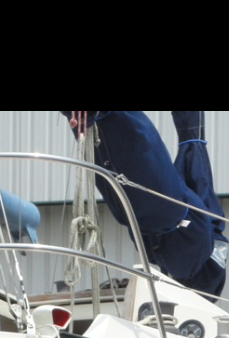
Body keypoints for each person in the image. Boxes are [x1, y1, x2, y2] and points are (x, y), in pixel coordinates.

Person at [60, 111, 227, 300]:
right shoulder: (200, 248)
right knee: (145, 173)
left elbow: (194, 153)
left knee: (105, 153)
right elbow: (196, 165)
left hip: (146, 220)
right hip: (174, 220)